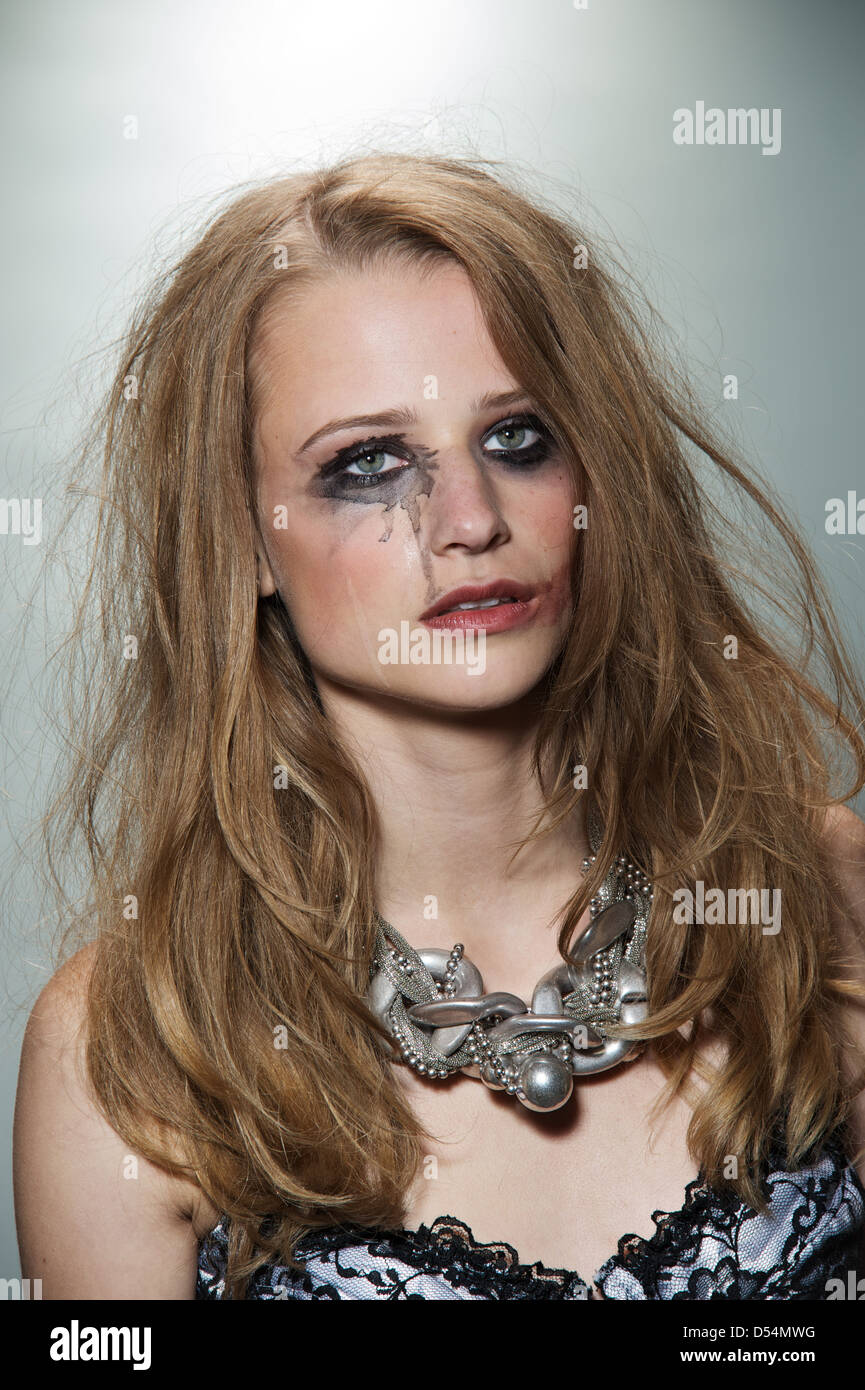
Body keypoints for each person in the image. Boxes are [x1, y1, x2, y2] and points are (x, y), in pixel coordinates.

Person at [13, 151, 865, 1300]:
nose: (470, 518)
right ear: (242, 540)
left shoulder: (815, 892)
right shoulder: (132, 1044)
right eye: (368, 464)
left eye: (518, 438)